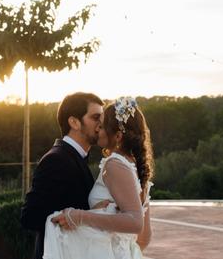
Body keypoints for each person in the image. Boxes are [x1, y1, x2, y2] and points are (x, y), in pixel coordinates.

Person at [45, 96, 154, 259]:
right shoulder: (137, 169)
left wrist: (79, 217)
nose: (98, 130)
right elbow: (144, 238)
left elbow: (135, 222)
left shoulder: (114, 164)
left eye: (102, 127)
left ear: (117, 136)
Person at [21, 92, 104, 259]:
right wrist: (82, 215)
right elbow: (30, 216)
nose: (101, 124)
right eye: (95, 117)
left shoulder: (73, 157)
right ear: (74, 122)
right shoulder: (56, 160)